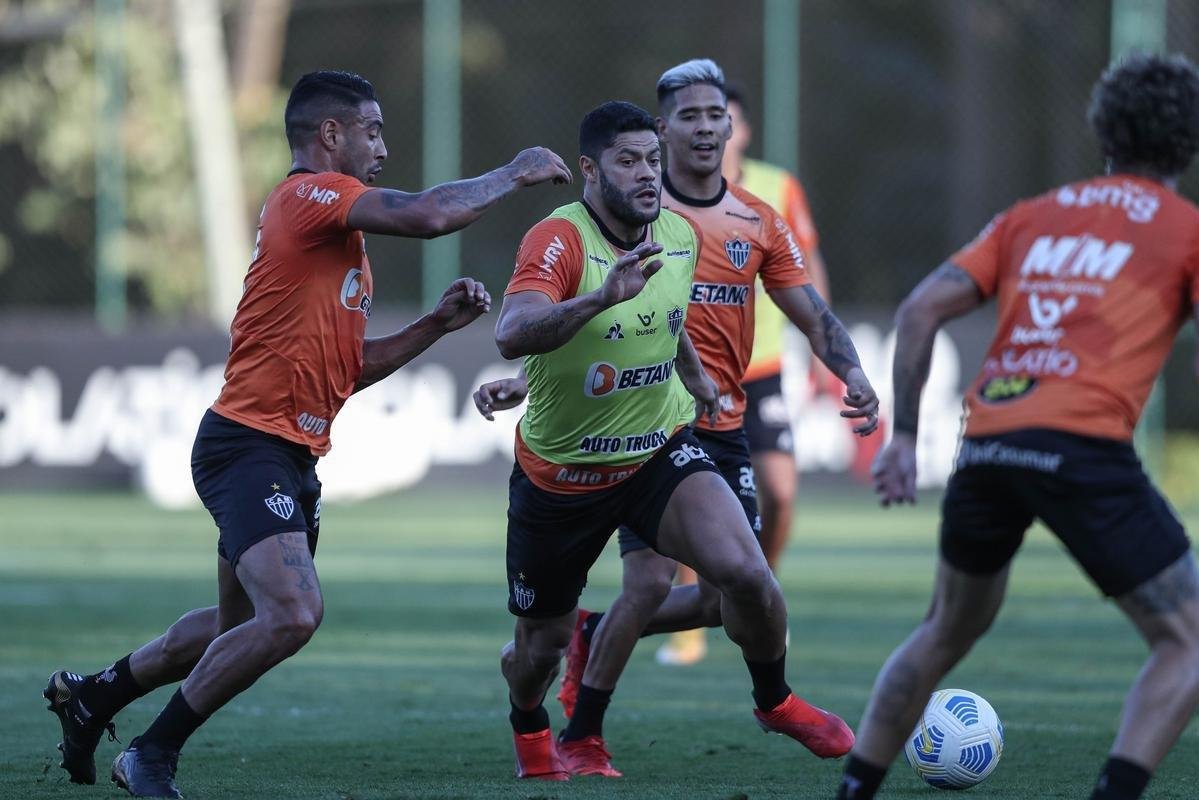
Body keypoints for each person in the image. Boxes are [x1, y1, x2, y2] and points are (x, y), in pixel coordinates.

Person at [42, 69, 571, 799]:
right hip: (244, 446)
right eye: (372, 130)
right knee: (294, 614)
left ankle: (95, 694)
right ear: (331, 135)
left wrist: (432, 328)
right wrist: (511, 173)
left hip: (289, 455)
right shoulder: (307, 196)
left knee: (238, 626)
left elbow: (344, 372)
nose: (381, 145)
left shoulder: (337, 242)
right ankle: (152, 753)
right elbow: (425, 215)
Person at [478, 66, 880, 780]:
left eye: (648, 162)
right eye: (629, 161)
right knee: (534, 651)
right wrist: (596, 303)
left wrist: (694, 377)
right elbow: (514, 331)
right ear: (590, 171)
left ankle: (773, 699)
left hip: (656, 451)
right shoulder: (559, 238)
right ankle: (536, 730)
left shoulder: (681, 233)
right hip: (561, 474)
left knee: (749, 578)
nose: (644, 174)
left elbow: (665, 319)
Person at [835, 52, 1199, 800]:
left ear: (1104, 134)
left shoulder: (1032, 216)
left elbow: (917, 311)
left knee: (946, 629)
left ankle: (853, 791)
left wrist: (903, 439)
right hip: (1082, 450)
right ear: (1188, 145)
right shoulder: (1183, 231)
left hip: (989, 445)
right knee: (1188, 643)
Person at [654, 82, 836, 667]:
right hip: (682, 378)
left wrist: (824, 357)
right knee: (691, 498)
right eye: (695, 119)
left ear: (741, 130)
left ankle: (763, 590)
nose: (708, 131)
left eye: (720, 119)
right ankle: (692, 628)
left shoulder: (777, 188)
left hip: (762, 369)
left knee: (780, 491)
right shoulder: (658, 196)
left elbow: (807, 273)